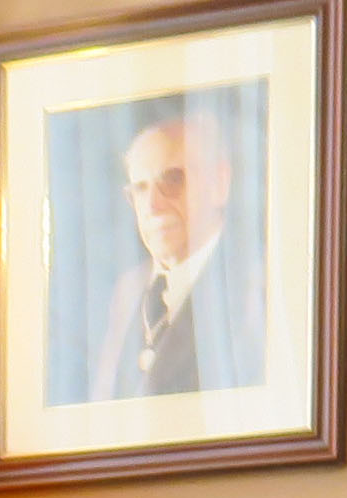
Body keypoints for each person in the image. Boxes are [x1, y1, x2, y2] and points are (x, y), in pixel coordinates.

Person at [87, 109, 262, 399]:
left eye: (172, 180)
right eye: (140, 189)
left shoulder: (256, 288)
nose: (153, 206)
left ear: (219, 184)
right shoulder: (128, 290)